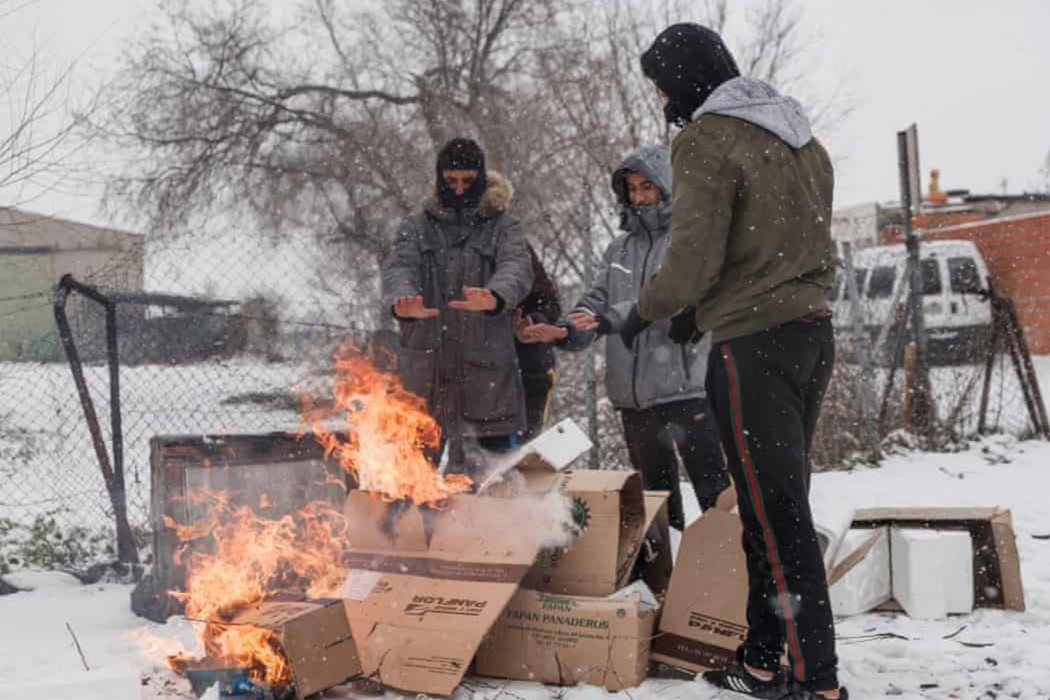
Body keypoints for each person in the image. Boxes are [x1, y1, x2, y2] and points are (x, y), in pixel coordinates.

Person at [637, 23, 844, 700]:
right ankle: (761, 659)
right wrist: (704, 306)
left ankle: (818, 684)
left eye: (661, 84)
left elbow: (694, 257)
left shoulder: (706, 138)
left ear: (683, 77)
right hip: (810, 335)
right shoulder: (802, 140)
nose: (662, 99)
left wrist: (651, 307)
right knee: (767, 506)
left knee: (777, 515)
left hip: (752, 348)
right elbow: (785, 247)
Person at [522, 144, 729, 532]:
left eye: (647, 187)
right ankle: (664, 567)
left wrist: (608, 320)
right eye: (632, 189)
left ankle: (729, 564)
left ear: (667, 187)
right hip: (633, 401)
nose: (639, 197)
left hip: (686, 391)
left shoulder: (687, 241)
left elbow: (667, 300)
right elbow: (596, 302)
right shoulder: (618, 249)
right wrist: (565, 329)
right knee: (655, 507)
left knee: (714, 495)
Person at [381, 138, 534, 478]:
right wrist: (403, 300)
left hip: (486, 374)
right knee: (410, 482)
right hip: (426, 372)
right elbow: (398, 268)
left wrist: (495, 296)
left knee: (491, 482)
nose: (460, 189)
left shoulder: (504, 225)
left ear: (482, 178)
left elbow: (517, 268)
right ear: (439, 179)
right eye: (451, 181)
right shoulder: (415, 226)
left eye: (468, 180)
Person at [480, 169, 562, 442]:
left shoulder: (515, 247)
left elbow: (547, 302)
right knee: (476, 462)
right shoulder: (446, 255)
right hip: (474, 377)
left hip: (523, 369)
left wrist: (532, 323)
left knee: (516, 457)